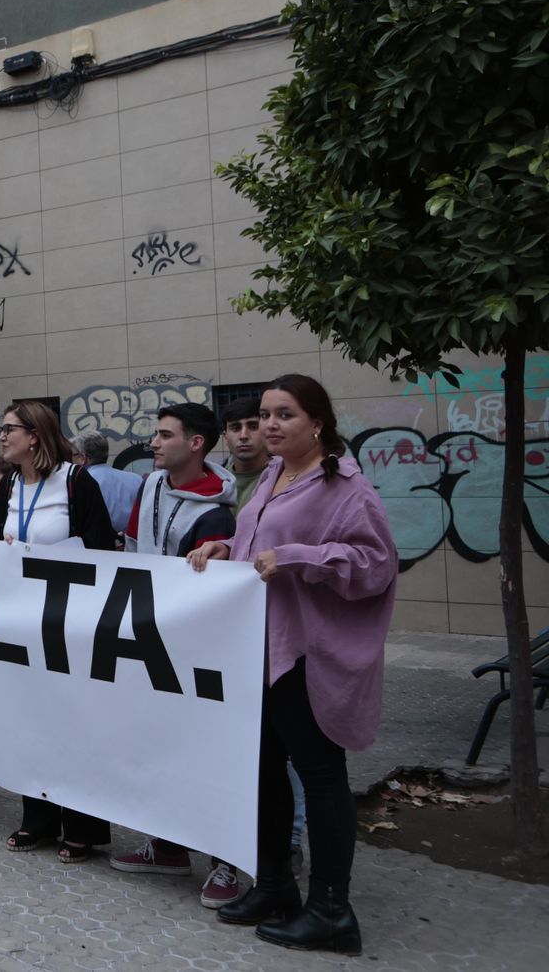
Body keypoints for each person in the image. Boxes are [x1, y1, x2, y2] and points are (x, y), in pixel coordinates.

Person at [188, 375, 395, 955]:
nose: (270, 425)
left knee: (322, 777)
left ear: (318, 423)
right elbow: (260, 546)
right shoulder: (274, 475)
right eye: (265, 415)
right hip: (260, 650)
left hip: (308, 652)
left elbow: (375, 564)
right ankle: (275, 884)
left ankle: (332, 910)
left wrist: (301, 558)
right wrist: (224, 549)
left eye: (286, 415)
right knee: (263, 771)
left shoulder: (345, 488)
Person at [111, 403, 239, 905]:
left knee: (208, 756)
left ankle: (226, 862)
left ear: (197, 444)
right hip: (148, 641)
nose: (154, 443)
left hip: (195, 653)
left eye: (164, 435)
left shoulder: (217, 512)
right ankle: (167, 848)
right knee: (157, 748)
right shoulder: (151, 486)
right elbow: (131, 551)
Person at [0, 400, 118, 862]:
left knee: (71, 723)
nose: (2, 436)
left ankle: (82, 824)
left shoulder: (75, 481)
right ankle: (39, 817)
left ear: (36, 435)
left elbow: (102, 548)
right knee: (30, 721)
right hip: (23, 623)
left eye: (10, 429)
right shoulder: (8, 483)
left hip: (70, 622)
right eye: (2, 429)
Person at [223, 396, 308, 878]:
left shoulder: (289, 479)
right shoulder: (225, 484)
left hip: (284, 634)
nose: (245, 434)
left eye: (254, 425)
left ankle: (290, 838)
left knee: (293, 749)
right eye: (235, 426)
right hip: (238, 634)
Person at [73, 429, 143, 537]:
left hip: (98, 547)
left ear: (82, 458)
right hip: (132, 545)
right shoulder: (136, 479)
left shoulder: (80, 484)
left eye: (73, 454)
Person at [222, 397, 269, 510]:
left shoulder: (282, 478)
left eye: (253, 427)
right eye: (235, 428)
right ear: (225, 437)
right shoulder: (215, 480)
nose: (243, 436)